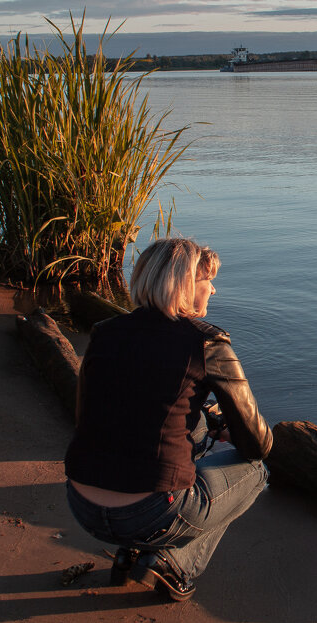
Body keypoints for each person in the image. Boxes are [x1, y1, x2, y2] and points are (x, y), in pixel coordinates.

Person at [64, 238, 273, 602]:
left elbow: (87, 417)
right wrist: (232, 430)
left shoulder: (104, 332)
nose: (214, 288)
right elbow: (260, 443)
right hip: (147, 512)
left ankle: (132, 551)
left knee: (200, 426)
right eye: (208, 280)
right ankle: (173, 561)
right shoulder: (208, 344)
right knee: (256, 471)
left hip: (81, 504)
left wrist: (207, 420)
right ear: (186, 285)